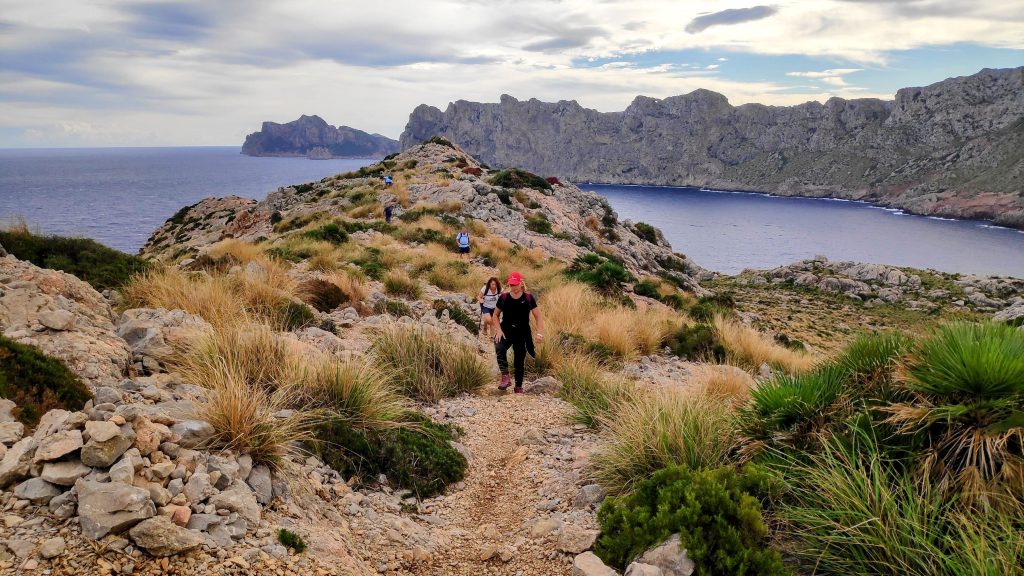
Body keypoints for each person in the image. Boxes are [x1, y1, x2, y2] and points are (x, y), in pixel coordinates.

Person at [492, 271, 543, 393]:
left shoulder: (528, 298)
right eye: (511, 284)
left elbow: (538, 316)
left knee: (519, 359)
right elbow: (495, 315)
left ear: (521, 283)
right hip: (506, 330)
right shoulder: (504, 297)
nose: (513, 287)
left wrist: (539, 333)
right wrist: (498, 330)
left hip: (522, 332)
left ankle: (518, 387)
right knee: (499, 347)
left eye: (515, 284)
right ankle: (505, 377)